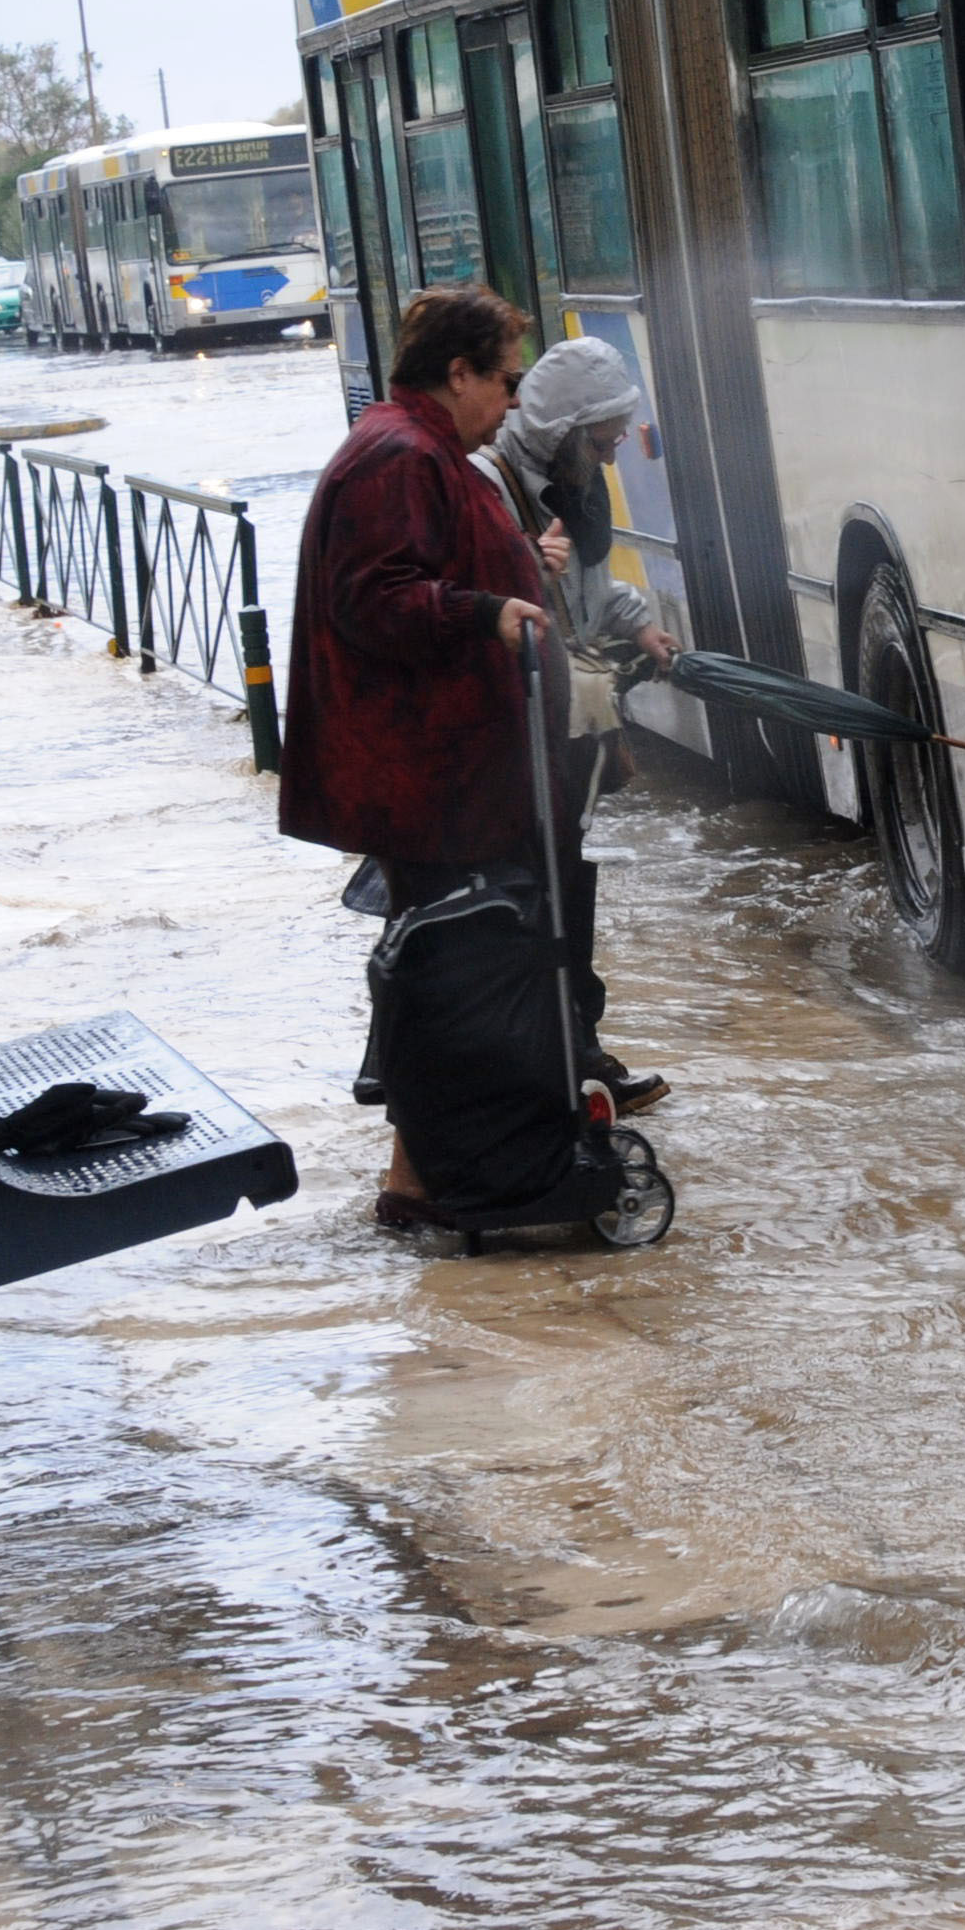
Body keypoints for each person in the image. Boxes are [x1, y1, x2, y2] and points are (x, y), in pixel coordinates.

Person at [277, 285, 652, 1229]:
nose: (514, 401)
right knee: (455, 973)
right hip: (433, 779)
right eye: (505, 380)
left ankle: (427, 1178)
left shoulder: (423, 450)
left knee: (455, 971)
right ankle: (441, 1183)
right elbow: (376, 597)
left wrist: (516, 572)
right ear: (458, 374)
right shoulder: (399, 456)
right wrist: (486, 610)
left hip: (456, 774)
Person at [475, 336, 680, 1115]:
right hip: (515, 736)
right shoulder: (490, 485)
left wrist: (639, 626)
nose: (613, 452)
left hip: (556, 724)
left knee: (565, 882)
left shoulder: (566, 484)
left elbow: (592, 585)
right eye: (601, 440)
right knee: (542, 893)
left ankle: (573, 1049)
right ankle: (565, 1060)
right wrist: (528, 566)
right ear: (563, 432)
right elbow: (482, 598)